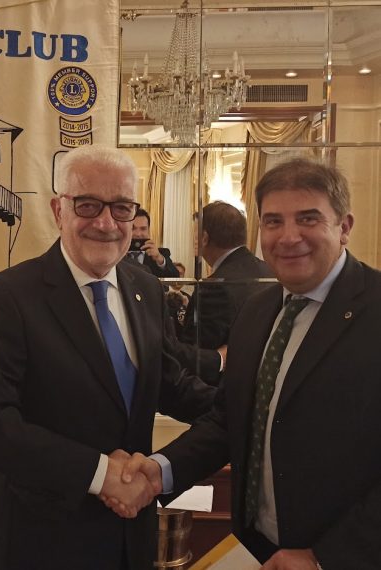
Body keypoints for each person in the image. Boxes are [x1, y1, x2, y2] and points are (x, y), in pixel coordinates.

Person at [0, 145, 216, 570]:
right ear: (58, 210)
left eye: (121, 208)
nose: (105, 223)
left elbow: (170, 385)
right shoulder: (8, 297)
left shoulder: (146, 290)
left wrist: (251, 407)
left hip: (130, 540)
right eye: (88, 204)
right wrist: (100, 473)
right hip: (39, 545)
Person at [113, 158, 381, 569]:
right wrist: (159, 471)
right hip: (257, 548)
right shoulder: (257, 312)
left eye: (307, 218)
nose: (288, 236)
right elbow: (229, 420)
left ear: (344, 227)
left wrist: (325, 558)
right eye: (273, 222)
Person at [180, 201, 273, 350]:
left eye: (195, 235)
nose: (194, 241)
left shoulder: (212, 288)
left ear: (204, 238)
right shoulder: (270, 271)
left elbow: (195, 353)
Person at [128, 208, 179, 278]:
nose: (138, 234)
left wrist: (159, 259)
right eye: (133, 228)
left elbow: (175, 277)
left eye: (143, 229)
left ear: (148, 230)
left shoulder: (161, 253)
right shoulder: (117, 254)